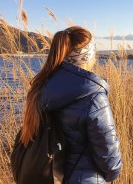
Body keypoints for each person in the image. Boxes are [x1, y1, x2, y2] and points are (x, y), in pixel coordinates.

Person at [20, 26, 123, 183]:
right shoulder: (94, 96)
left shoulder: (40, 87)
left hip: (48, 177)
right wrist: (112, 174)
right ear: (87, 57)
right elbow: (109, 161)